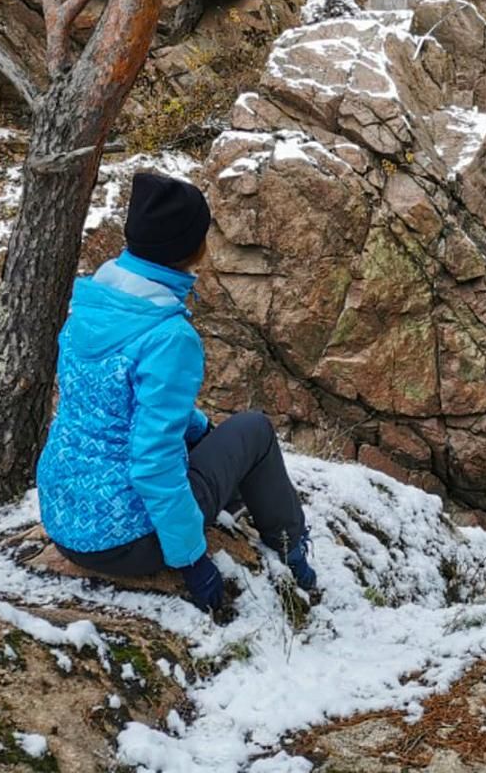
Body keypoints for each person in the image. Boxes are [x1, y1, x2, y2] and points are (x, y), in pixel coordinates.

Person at [36, 170, 318, 616]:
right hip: (128, 540)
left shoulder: (92, 303)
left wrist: (200, 430)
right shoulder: (168, 336)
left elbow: (115, 400)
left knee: (213, 438)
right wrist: (191, 560)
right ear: (188, 248)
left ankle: (247, 506)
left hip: (66, 520)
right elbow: (152, 461)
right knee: (255, 430)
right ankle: (291, 549)